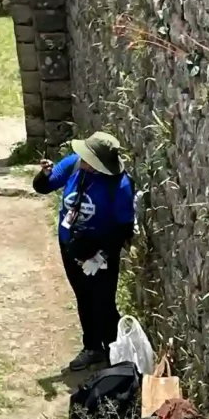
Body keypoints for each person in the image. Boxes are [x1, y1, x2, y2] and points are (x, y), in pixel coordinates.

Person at [34, 129, 135, 376]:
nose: (82, 159)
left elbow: (123, 227)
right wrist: (44, 175)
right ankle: (92, 348)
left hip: (99, 251)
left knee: (104, 302)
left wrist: (102, 256)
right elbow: (43, 187)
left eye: (88, 157)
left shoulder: (119, 185)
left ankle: (117, 358)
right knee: (83, 297)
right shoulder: (74, 164)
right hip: (71, 246)